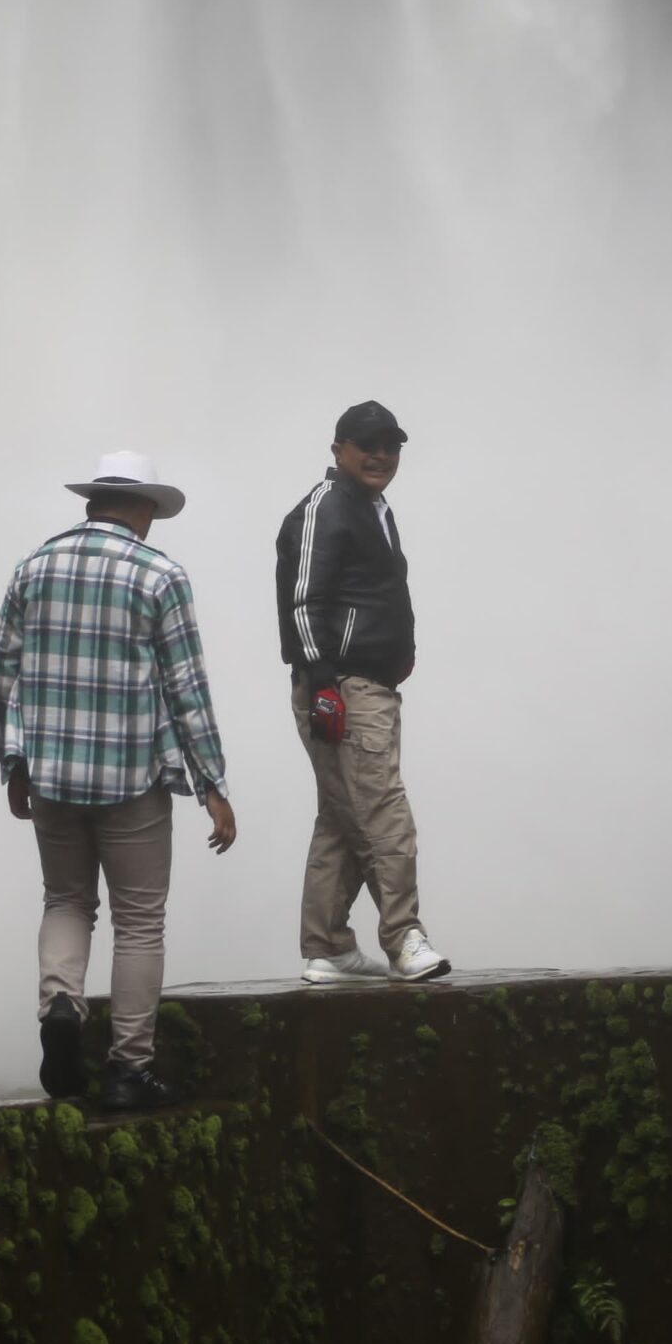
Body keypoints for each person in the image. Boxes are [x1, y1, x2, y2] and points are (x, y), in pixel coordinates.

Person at [0, 450, 237, 1112]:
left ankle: (61, 1007)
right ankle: (130, 1066)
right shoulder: (159, 575)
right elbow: (187, 688)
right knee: (138, 920)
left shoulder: (33, 567)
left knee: (66, 898)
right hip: (132, 779)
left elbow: (1, 675)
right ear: (142, 509)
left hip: (53, 776)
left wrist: (12, 762)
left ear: (94, 502)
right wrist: (211, 782)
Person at [274, 401, 451, 985]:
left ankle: (326, 946)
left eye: (391, 446)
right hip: (343, 686)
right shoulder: (327, 507)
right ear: (337, 450)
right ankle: (405, 939)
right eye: (366, 444)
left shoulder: (371, 508)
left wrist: (398, 654)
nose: (380, 455)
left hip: (364, 683)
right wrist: (325, 685)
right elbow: (305, 600)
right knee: (384, 814)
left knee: (342, 818)